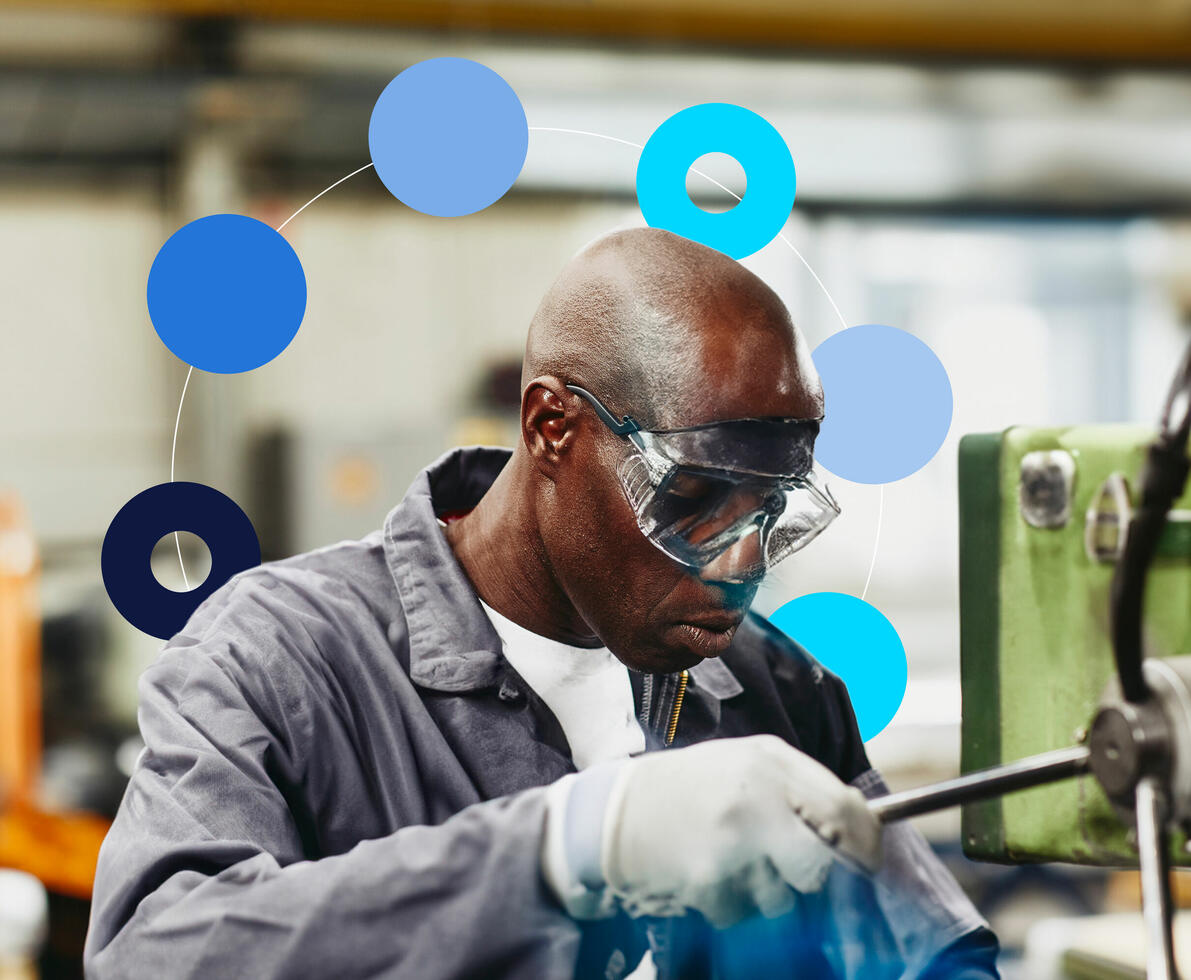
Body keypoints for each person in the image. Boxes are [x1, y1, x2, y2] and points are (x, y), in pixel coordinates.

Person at [85, 227, 999, 979]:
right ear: (551, 426)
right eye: (692, 501)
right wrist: (565, 850)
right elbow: (155, 956)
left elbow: (934, 955)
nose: (740, 565)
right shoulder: (276, 657)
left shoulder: (774, 688)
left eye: (769, 511)